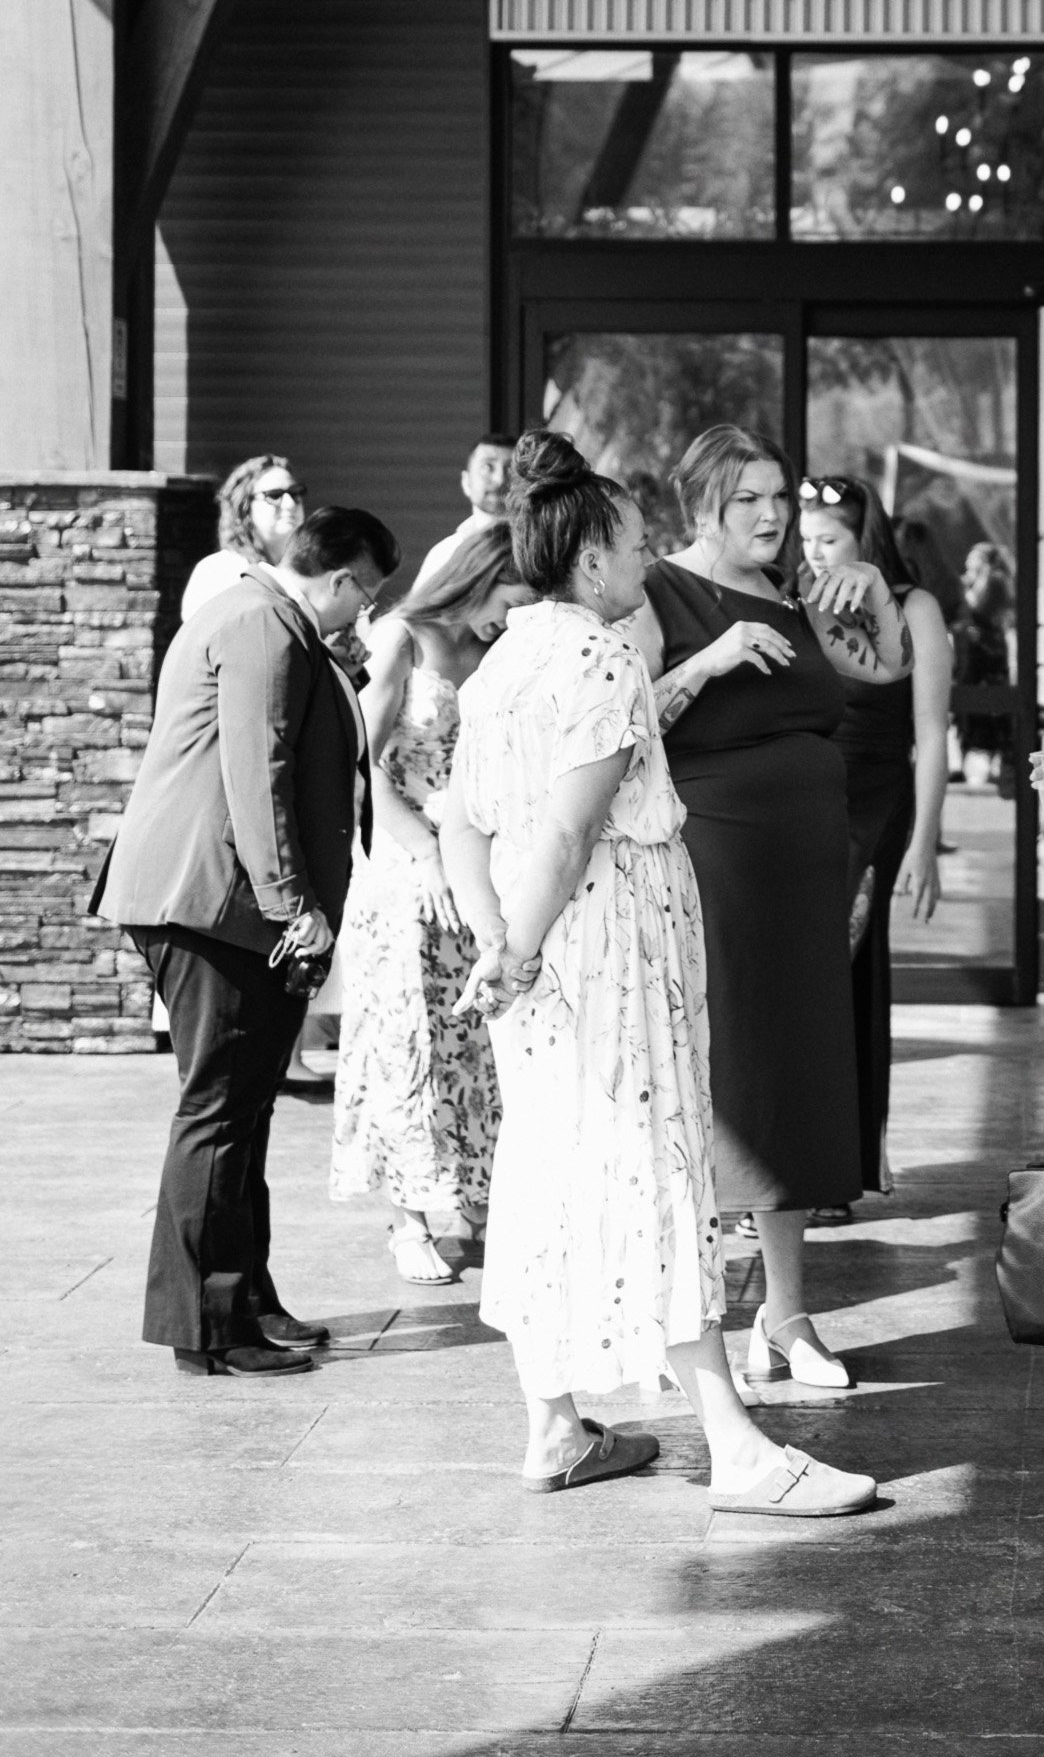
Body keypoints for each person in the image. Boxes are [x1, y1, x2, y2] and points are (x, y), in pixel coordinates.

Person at [439, 433, 874, 1518]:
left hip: (543, 959)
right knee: (656, 1170)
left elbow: (461, 818)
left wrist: (496, 942)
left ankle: (555, 1423)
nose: (648, 562)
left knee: (550, 1171)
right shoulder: (594, 658)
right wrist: (520, 947)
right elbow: (571, 829)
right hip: (607, 956)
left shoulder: (503, 660)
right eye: (634, 543)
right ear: (591, 559)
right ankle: (735, 1446)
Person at [94, 505, 398, 1376]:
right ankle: (205, 1329)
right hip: (216, 905)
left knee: (244, 1112)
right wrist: (291, 905)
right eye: (366, 593)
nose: (366, 611)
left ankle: (248, 1301)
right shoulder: (262, 621)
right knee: (219, 1114)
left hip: (220, 904)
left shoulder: (265, 616)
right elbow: (253, 770)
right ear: (338, 577)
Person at [632, 424, 899, 1392]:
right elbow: (626, 714)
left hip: (805, 876)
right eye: (750, 497)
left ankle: (787, 1316)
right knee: (718, 1092)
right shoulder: (661, 588)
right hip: (716, 873)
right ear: (702, 497)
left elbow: (878, 671)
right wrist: (712, 658)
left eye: (780, 495)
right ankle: (691, 1322)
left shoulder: (793, 590)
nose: (774, 513)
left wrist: (871, 593)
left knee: (794, 1089)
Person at [331, 521, 522, 1284]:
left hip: (481, 860)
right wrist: (423, 853)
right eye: (509, 597)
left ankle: (472, 1193)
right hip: (407, 864)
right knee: (405, 1036)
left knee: (474, 1040)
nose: (512, 615)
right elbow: (361, 762)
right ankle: (406, 1218)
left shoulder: (501, 647)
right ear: (479, 576)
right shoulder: (402, 638)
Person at [797, 473, 951, 1211]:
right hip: (804, 800)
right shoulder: (799, 596)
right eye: (805, 542)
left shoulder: (912, 606)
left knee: (849, 972)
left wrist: (924, 841)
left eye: (828, 541)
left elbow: (930, 733)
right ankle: (809, 1158)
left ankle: (845, 1160)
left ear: (866, 539)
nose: (814, 554)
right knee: (802, 981)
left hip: (877, 802)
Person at [179, 454, 308, 621]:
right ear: (244, 507)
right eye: (274, 495)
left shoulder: (308, 573)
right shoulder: (219, 571)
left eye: (295, 492)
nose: (290, 504)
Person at [949, 539, 1017, 789]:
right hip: (981, 677)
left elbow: (977, 605)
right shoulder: (997, 588)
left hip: (985, 680)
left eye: (973, 568)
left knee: (983, 739)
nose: (967, 575)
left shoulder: (994, 584)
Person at [420, 436, 517, 579]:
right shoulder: (444, 554)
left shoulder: (542, 547)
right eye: (487, 467)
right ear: (466, 482)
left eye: (510, 469)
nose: (500, 479)